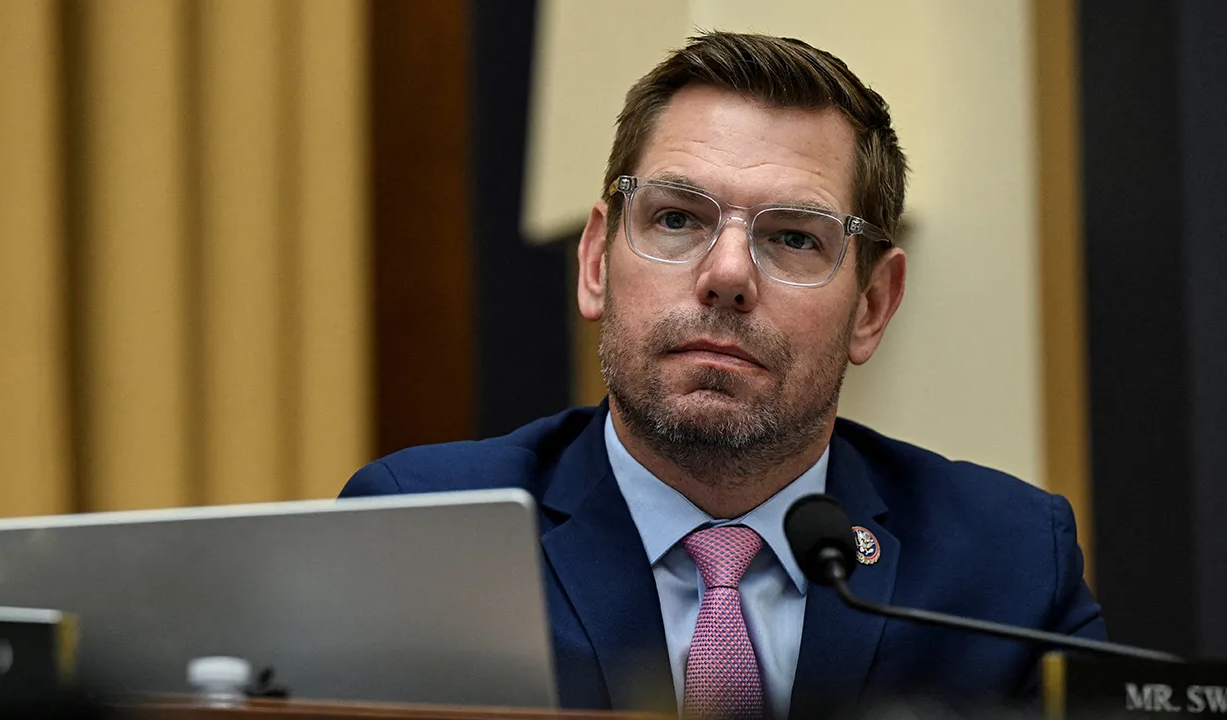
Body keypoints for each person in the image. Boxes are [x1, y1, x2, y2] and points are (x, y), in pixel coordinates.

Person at [341, 31, 1104, 720]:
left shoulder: (1003, 568)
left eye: (794, 238)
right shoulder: (423, 533)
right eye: (677, 219)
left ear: (872, 306)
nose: (728, 275)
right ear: (596, 263)